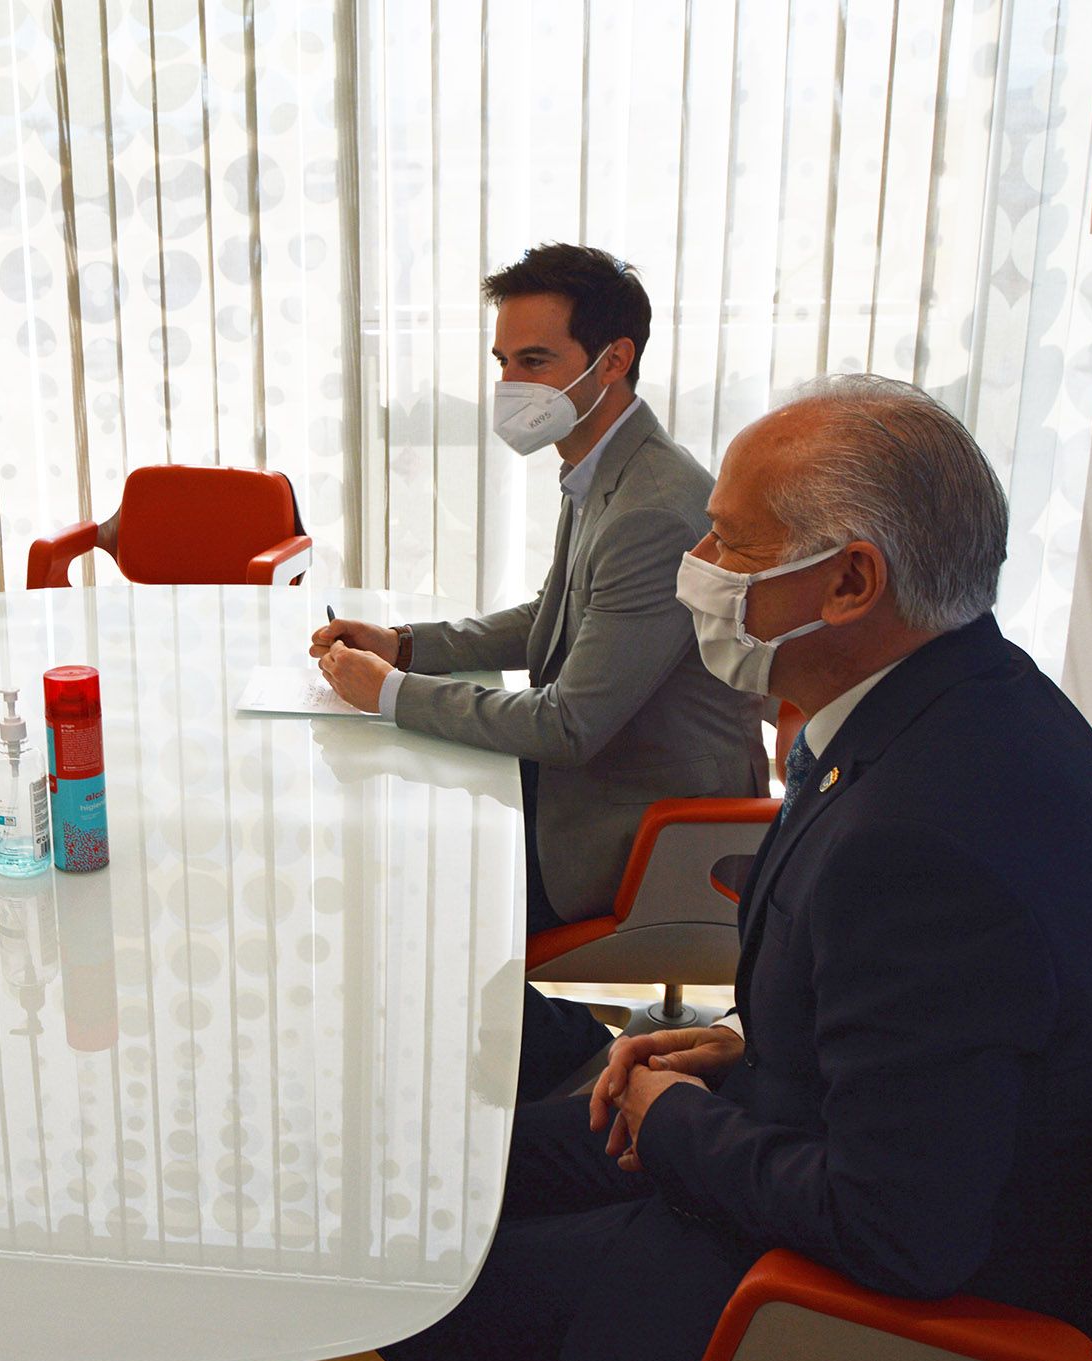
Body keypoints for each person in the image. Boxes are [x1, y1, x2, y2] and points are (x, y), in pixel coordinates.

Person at [380, 374, 1092, 1361]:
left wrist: (668, 1118)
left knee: (423, 1289)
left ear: (848, 582)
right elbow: (926, 1026)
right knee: (442, 1184)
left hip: (847, 1288)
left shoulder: (928, 840)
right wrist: (748, 1043)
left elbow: (899, 1230)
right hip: (809, 1120)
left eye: (728, 544)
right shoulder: (947, 703)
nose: (692, 570)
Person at [314, 244, 764, 1099]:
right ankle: (506, 1074)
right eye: (502, 363)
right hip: (610, 789)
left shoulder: (654, 507)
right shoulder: (604, 472)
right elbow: (549, 617)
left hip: (650, 830)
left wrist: (392, 696)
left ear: (614, 360)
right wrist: (404, 646)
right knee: (402, 846)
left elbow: (566, 725)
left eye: (534, 361)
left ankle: (538, 1086)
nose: (510, 385)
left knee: (417, 899)